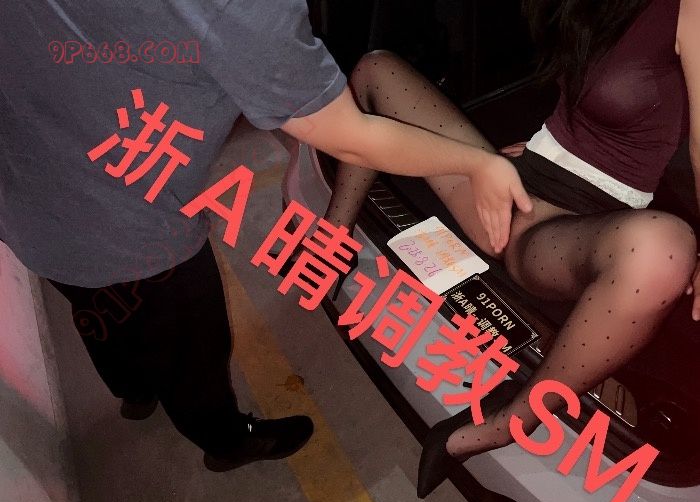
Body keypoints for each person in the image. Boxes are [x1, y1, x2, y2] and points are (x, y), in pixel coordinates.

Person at [0, 0, 524, 472]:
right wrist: (477, 164)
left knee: (96, 311)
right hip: (135, 231)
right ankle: (226, 443)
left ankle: (134, 392)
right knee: (193, 349)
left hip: (28, 192)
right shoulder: (240, 10)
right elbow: (349, 137)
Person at [312, 0, 700, 496]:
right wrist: (534, 148)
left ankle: (504, 424)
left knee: (663, 250)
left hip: (572, 230)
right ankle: (330, 244)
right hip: (511, 181)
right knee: (375, 72)